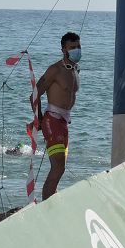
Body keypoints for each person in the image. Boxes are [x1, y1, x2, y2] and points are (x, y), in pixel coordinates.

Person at [34, 31, 80, 199]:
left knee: (61, 167)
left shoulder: (75, 70)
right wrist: (38, 118)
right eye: (72, 47)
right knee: (58, 166)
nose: (77, 50)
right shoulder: (55, 70)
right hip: (52, 119)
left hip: (64, 121)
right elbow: (34, 94)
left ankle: (51, 198)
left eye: (78, 46)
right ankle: (47, 203)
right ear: (63, 49)